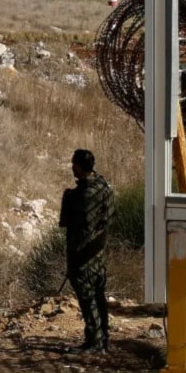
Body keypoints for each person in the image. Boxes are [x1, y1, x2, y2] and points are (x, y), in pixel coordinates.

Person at [59, 148, 116, 354]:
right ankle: (103, 337)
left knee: (88, 298)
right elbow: (109, 216)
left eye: (74, 164)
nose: (72, 168)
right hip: (97, 254)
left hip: (82, 254)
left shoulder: (81, 196)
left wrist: (73, 260)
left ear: (80, 167)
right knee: (98, 296)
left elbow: (74, 228)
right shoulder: (103, 187)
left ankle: (94, 341)